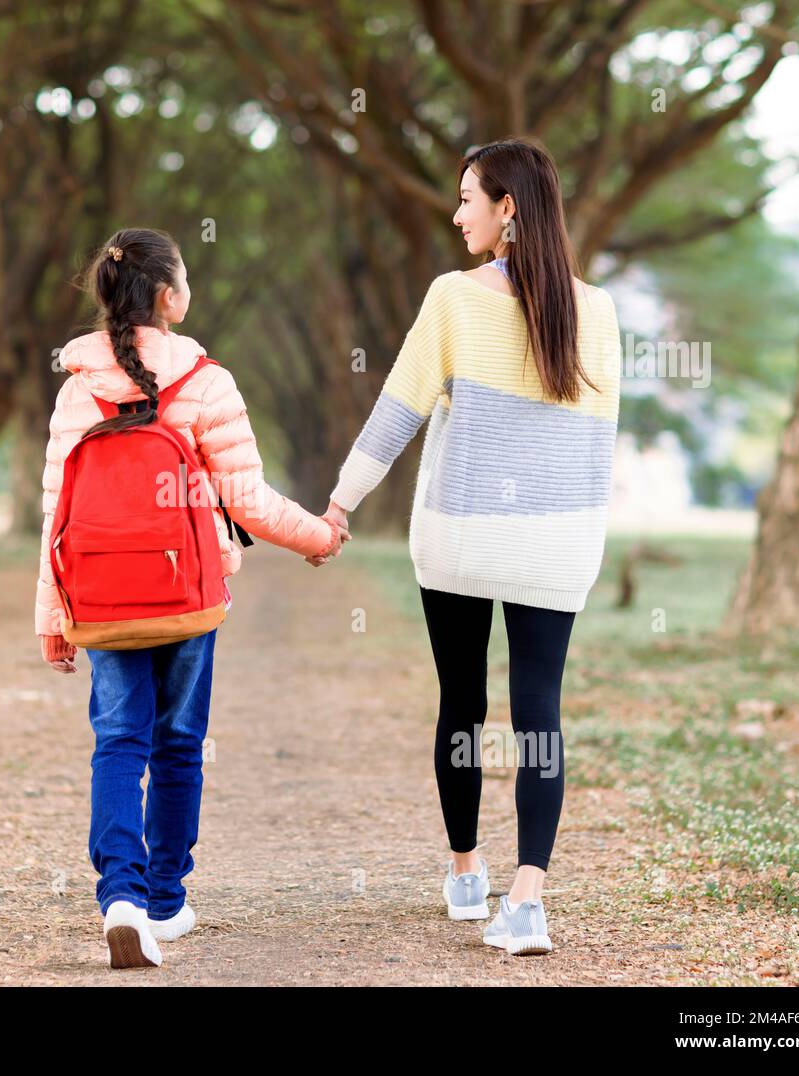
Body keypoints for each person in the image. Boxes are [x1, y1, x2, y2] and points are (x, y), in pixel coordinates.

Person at [316, 138, 622, 956]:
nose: (456, 215)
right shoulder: (600, 310)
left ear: (507, 208)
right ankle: (528, 901)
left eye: (467, 200)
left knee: (462, 704)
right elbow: (598, 447)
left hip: (463, 536)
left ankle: (465, 871)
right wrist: (582, 540)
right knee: (539, 716)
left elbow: (398, 412)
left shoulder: (454, 297)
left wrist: (340, 504)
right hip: (555, 546)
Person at [35, 226, 348, 968]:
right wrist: (319, 537)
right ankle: (166, 900)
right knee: (178, 744)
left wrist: (53, 617)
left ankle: (121, 897)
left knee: (118, 742)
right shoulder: (207, 381)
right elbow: (249, 498)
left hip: (103, 603)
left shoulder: (77, 388)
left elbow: (56, 516)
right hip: (186, 595)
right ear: (170, 297)